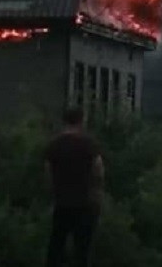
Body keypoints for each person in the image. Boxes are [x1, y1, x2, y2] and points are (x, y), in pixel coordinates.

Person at [44, 106, 104, 267]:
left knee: (56, 246)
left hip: (62, 203)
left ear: (64, 121)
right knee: (82, 249)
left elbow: (48, 174)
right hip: (85, 203)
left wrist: (53, 194)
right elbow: (98, 171)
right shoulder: (89, 144)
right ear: (81, 120)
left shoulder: (54, 145)